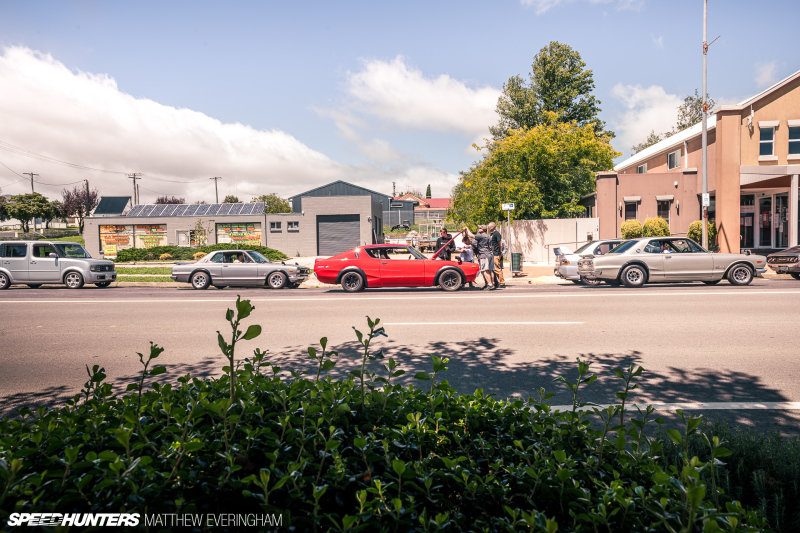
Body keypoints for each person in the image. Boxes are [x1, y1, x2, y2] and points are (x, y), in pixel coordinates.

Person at [488, 222, 505, 288]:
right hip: (492, 253)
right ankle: (495, 282)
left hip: (496, 253)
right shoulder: (491, 234)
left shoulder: (497, 233)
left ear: (493, 227)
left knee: (497, 269)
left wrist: (500, 251)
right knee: (493, 269)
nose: (488, 228)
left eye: (489, 227)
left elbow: (500, 243)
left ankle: (502, 282)